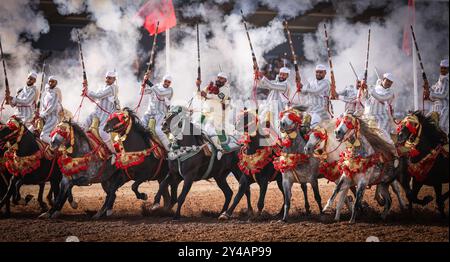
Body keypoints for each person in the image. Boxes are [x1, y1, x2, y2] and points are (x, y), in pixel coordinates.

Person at [82, 71, 120, 149]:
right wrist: (86, 90)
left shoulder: (113, 88)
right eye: (106, 77)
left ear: (114, 79)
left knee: (102, 132)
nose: (107, 79)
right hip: (97, 111)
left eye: (109, 78)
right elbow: (95, 99)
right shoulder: (102, 87)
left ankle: (113, 152)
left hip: (107, 113)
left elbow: (99, 96)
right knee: (84, 125)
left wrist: (88, 91)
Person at [197, 72, 231, 160]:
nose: (219, 80)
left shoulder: (226, 89)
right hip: (205, 112)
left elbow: (219, 97)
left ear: (225, 80)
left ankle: (220, 149)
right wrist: (198, 86)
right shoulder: (210, 86)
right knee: (195, 125)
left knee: (210, 128)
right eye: (218, 77)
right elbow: (200, 96)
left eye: (221, 78)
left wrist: (207, 95)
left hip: (218, 113)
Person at [361, 72, 396, 145]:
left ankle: (393, 149)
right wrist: (363, 89)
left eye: (391, 82)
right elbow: (364, 100)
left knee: (381, 131)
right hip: (368, 117)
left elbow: (381, 98)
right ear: (383, 79)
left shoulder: (390, 92)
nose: (389, 83)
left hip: (382, 117)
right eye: (388, 81)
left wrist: (370, 89)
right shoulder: (374, 87)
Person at [141, 73, 173, 150]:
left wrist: (148, 82)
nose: (167, 83)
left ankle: (169, 149)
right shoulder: (156, 86)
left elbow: (160, 94)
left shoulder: (170, 90)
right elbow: (142, 92)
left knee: (158, 129)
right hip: (149, 112)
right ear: (163, 80)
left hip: (160, 113)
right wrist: (143, 83)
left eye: (169, 82)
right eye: (165, 81)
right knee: (140, 126)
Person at [257, 66, 291, 133]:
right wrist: (257, 77)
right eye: (280, 74)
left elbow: (271, 85)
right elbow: (261, 85)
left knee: (277, 130)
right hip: (269, 108)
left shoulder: (286, 85)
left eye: (283, 74)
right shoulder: (276, 82)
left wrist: (262, 76)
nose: (281, 76)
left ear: (287, 76)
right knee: (260, 122)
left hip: (279, 110)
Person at [425, 59, 449, 135]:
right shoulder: (439, 80)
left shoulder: (447, 80)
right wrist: (427, 87)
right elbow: (433, 89)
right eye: (441, 67)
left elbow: (444, 95)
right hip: (436, 107)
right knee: (427, 121)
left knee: (442, 126)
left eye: (445, 68)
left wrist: (431, 94)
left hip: (445, 107)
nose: (442, 70)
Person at [39, 76, 62, 144]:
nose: (50, 83)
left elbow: (52, 107)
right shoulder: (45, 94)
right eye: (50, 81)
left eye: (53, 81)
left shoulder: (56, 93)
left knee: (43, 136)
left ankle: (56, 146)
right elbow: (43, 107)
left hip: (52, 118)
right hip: (44, 118)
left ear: (56, 83)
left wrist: (42, 115)